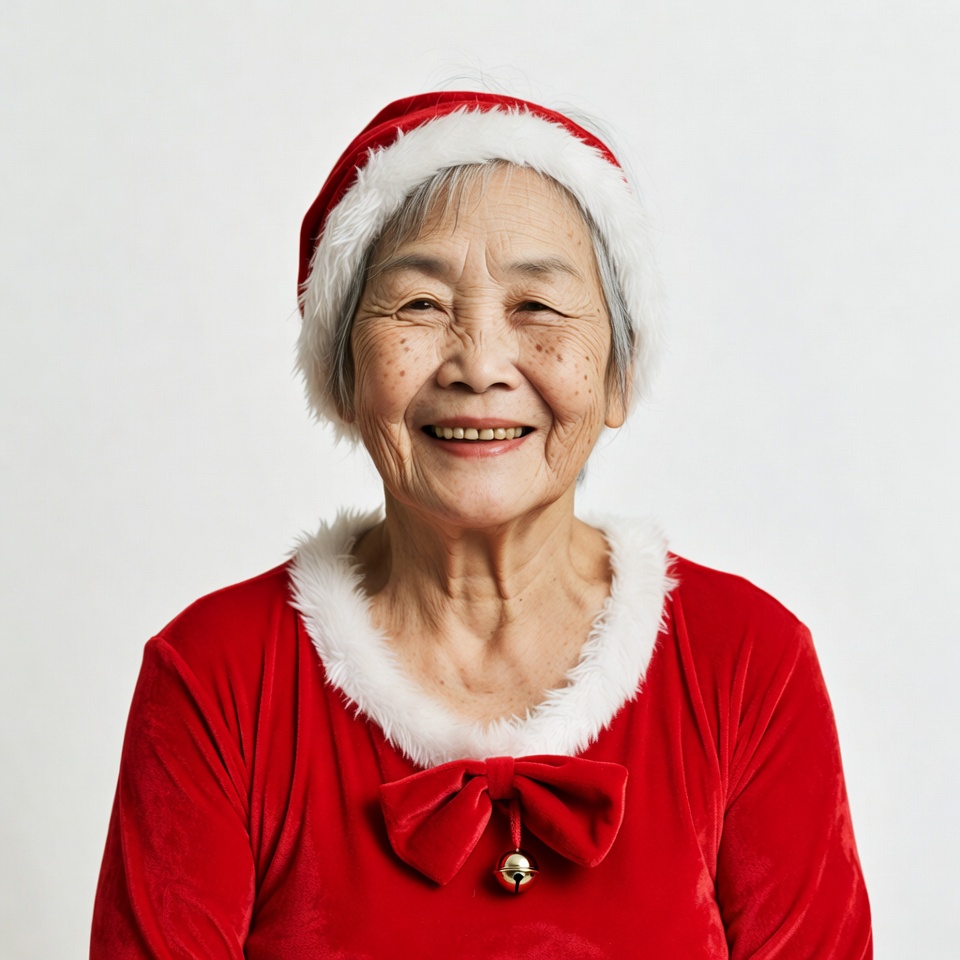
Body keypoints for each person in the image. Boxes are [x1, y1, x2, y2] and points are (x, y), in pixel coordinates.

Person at [91, 91, 872, 958]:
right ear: (344, 374)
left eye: (537, 307)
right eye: (420, 307)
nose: (479, 365)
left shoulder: (746, 660)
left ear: (617, 374)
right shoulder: (217, 675)